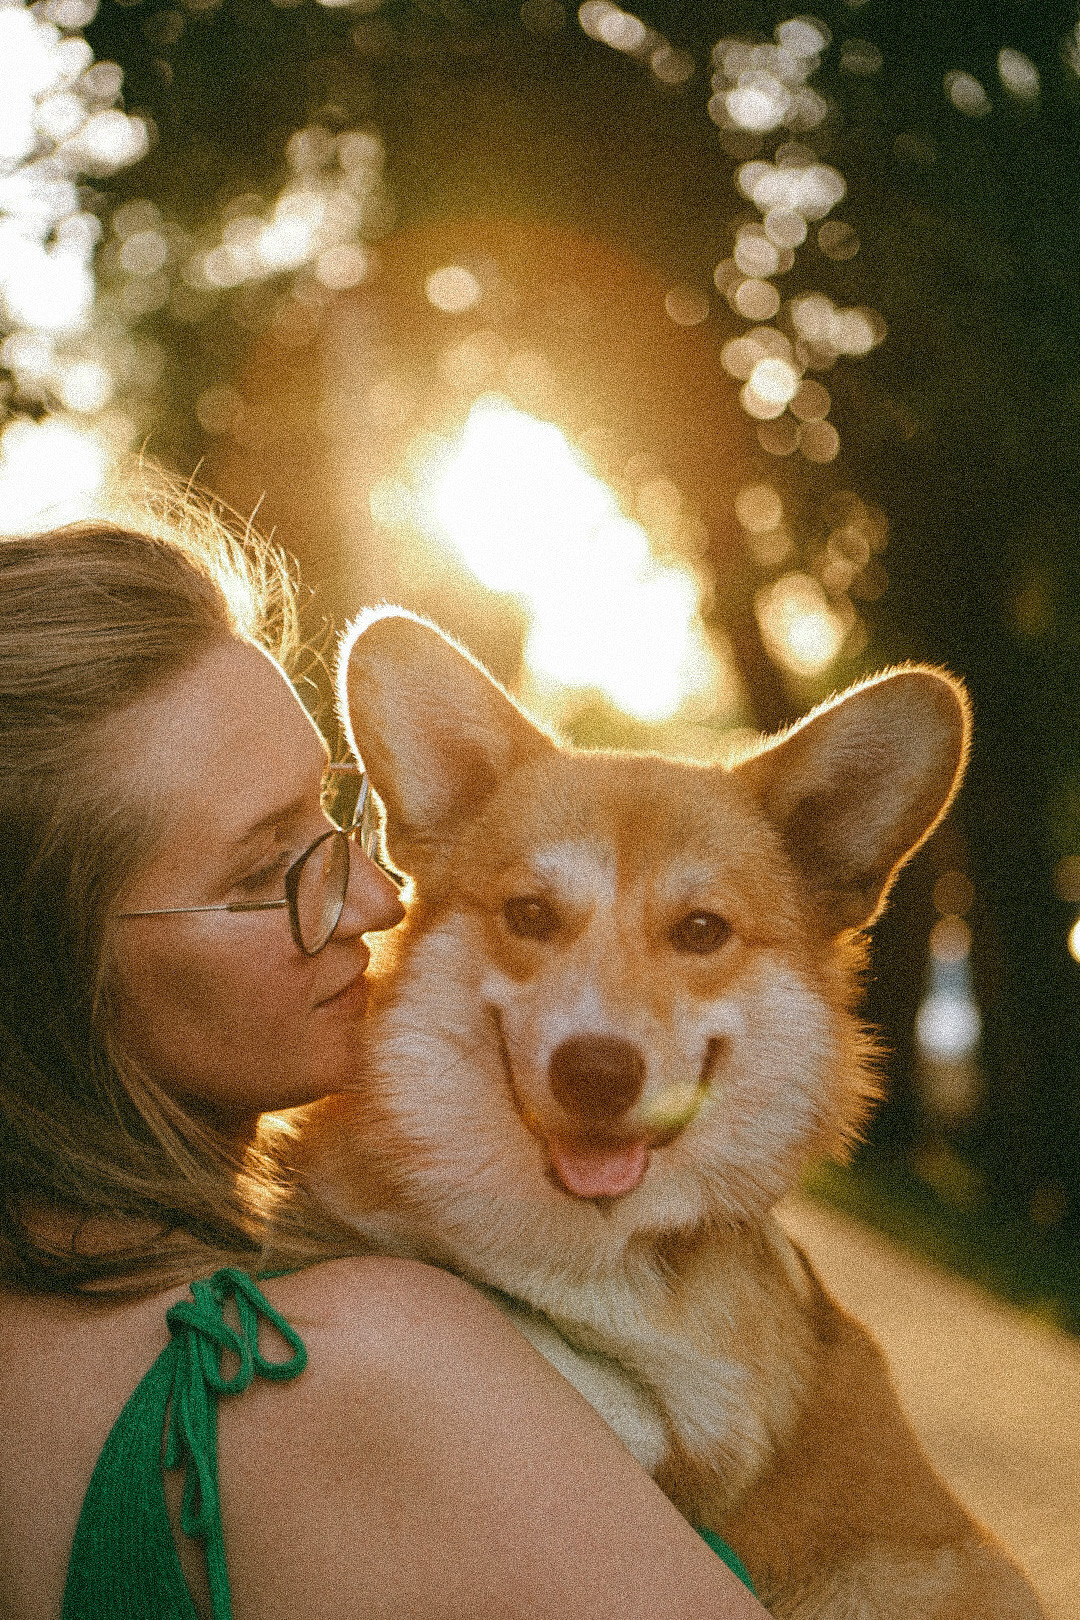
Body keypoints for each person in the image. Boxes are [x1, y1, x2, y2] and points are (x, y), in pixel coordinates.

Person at [0, 510, 767, 1620]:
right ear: (47, 971)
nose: (382, 897)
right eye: (271, 870)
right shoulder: (364, 1364)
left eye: (336, 813)